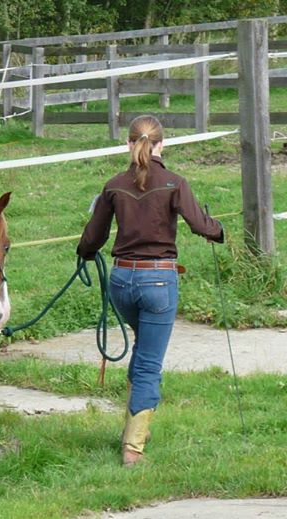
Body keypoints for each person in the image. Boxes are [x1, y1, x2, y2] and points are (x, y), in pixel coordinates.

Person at [76, 115, 224, 466]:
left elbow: (93, 237)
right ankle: (133, 449)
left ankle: (134, 427)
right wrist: (217, 230)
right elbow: (200, 225)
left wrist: (84, 253)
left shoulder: (113, 185)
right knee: (148, 365)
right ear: (162, 144)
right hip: (159, 283)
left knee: (143, 352)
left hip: (122, 283)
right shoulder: (174, 182)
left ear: (129, 144)